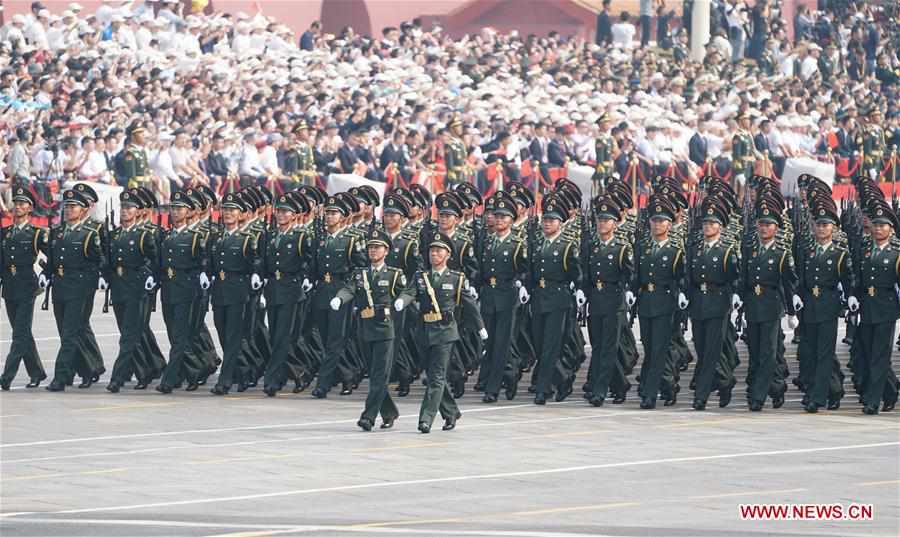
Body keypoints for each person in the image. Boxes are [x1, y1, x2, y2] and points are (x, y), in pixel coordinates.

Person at [398, 231, 486, 433]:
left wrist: (480, 327)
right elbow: (410, 292)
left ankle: (426, 419)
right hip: (424, 331)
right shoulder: (422, 277)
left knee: (436, 377)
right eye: (432, 251)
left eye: (438, 251)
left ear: (447, 255)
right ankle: (451, 411)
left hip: (445, 332)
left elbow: (470, 305)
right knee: (433, 375)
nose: (434, 254)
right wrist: (402, 301)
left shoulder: (456, 278)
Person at [334, 228, 411, 431]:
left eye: (377, 248)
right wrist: (340, 298)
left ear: (386, 251)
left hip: (386, 329)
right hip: (365, 328)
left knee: (379, 375)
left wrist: (402, 302)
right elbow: (350, 289)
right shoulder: (360, 274)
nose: (373, 251)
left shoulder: (395, 274)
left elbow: (407, 292)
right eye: (370, 248)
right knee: (373, 373)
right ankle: (389, 412)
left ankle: (368, 416)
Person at [44, 189, 105, 392]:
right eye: (67, 206)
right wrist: (45, 273)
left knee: (71, 333)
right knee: (66, 333)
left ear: (84, 209)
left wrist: (99, 280)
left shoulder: (90, 233)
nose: (69, 210)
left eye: (73, 206)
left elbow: (100, 260)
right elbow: (52, 260)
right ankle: (89, 369)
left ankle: (61, 377)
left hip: (80, 288)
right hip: (60, 287)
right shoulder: (57, 231)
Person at [741, 194, 798, 411]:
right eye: (761, 224)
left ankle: (758, 396)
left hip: (772, 306)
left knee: (767, 352)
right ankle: (775, 388)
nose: (763, 228)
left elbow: (789, 283)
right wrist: (740, 301)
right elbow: (744, 278)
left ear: (776, 228)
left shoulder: (782, 253)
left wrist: (792, 312)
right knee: (755, 352)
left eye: (768, 225)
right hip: (753, 305)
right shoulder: (750, 249)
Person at [797, 200, 854, 413]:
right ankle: (834, 389)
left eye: (826, 225)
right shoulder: (807, 251)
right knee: (810, 352)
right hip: (809, 305)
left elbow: (848, 282)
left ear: (834, 228)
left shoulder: (840, 254)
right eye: (818, 224)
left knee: (824, 353)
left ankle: (816, 398)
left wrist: (850, 302)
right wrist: (796, 298)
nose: (821, 228)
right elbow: (800, 280)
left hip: (828, 307)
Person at [310, 195, 368, 398]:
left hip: (341, 291)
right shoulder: (321, 237)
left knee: (335, 341)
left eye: (333, 213)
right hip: (322, 292)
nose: (329, 216)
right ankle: (348, 373)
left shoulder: (352, 238)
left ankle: (323, 385)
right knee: (327, 340)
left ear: (342, 216)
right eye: (327, 213)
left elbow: (360, 268)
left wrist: (351, 295)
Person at [633, 194, 687, 409]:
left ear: (669, 224)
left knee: (658, 350)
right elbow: (636, 276)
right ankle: (667, 386)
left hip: (665, 303)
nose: (657, 224)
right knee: (649, 348)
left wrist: (681, 297)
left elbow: (681, 278)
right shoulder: (643, 248)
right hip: (646, 302)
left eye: (661, 221)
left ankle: (650, 394)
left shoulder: (675, 250)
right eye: (654, 220)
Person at [687, 197, 740, 410]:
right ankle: (725, 381)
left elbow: (733, 277)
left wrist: (733, 297)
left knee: (711, 351)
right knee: (701, 348)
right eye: (705, 223)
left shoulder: (727, 250)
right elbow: (688, 276)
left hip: (718, 303)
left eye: (712, 223)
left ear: (721, 226)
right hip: (698, 302)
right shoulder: (695, 248)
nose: (708, 226)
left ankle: (701, 396)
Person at [208, 192, 262, 395]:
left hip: (238, 290)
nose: (228, 213)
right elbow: (210, 261)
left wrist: (256, 275)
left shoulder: (247, 238)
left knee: (232, 337)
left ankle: (225, 381)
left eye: (233, 210)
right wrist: (208, 275)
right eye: (226, 210)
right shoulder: (216, 236)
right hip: (219, 291)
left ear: (241, 214)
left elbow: (255, 260)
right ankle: (246, 370)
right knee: (223, 334)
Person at [531, 194, 582, 405]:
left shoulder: (567, 246)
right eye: (545, 220)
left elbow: (575, 273)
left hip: (558, 298)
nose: (547, 223)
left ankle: (543, 390)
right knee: (538, 344)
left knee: (550, 346)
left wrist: (576, 290)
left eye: (552, 220)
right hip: (539, 298)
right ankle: (563, 378)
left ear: (560, 222)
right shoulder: (536, 243)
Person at [583, 195, 633, 407]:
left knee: (608, 348)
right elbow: (585, 274)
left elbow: (628, 275)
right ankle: (620, 384)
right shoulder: (592, 247)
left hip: (613, 302)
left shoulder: (622, 248)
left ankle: (600, 390)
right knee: (598, 346)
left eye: (606, 220)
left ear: (615, 223)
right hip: (596, 300)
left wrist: (627, 292)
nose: (602, 223)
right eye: (600, 220)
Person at [156, 190, 208, 393]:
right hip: (168, 290)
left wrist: (202, 275)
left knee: (179, 336)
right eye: (173, 208)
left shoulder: (195, 236)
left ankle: (169, 381)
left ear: (188, 211)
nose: (176, 212)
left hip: (186, 290)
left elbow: (202, 261)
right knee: (173, 335)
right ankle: (194, 371)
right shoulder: (167, 235)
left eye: (180, 209)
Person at [478, 192, 528, 403]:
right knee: (489, 342)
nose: (498, 220)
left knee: (501, 343)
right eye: (496, 216)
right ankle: (509, 373)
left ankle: (493, 388)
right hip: (489, 296)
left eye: (503, 217)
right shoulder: (488, 242)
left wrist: (521, 284)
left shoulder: (517, 244)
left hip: (507, 297)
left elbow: (524, 270)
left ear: (511, 220)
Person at [106, 189, 158, 392]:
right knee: (129, 334)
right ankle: (146, 370)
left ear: (137, 211)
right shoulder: (115, 234)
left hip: (137, 289)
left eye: (129, 208)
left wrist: (149, 277)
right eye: (123, 207)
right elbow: (108, 260)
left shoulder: (143, 235)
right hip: (119, 289)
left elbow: (154, 259)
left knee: (128, 336)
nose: (125, 211)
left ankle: (117, 378)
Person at [261, 193, 313, 396]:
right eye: (279, 211)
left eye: (285, 212)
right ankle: (300, 372)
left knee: (283, 337)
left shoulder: (300, 236)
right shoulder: (270, 235)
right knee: (276, 336)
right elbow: (263, 260)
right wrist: (261, 276)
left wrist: (306, 277)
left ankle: (272, 380)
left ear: (294, 215)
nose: (281, 215)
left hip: (291, 290)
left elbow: (309, 260)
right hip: (273, 288)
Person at [0, 187, 49, 390]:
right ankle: (37, 372)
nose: (18, 207)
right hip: (9, 287)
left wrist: (46, 273)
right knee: (22, 333)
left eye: (22, 204)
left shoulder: (37, 233)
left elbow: (52, 256)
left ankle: (6, 377)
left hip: (27, 287)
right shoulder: (5, 232)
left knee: (19, 334)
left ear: (30, 208)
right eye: (16, 203)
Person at [855, 200, 900, 415]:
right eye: (876, 225)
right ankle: (890, 391)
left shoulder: (896, 252)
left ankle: (872, 401)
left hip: (886, 308)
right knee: (868, 353)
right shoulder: (865, 249)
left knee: (879, 356)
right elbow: (857, 277)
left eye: (883, 225)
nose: (879, 229)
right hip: (867, 306)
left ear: (891, 229)